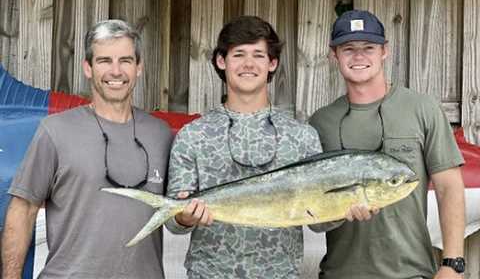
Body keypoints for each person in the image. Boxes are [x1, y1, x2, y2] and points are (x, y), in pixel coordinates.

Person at [164, 15, 372, 279]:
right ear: (221, 61)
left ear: (272, 63)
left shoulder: (301, 136)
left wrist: (346, 208)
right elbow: (173, 220)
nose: (248, 64)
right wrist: (185, 217)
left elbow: (318, 222)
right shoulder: (192, 135)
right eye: (238, 54)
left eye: (258, 55)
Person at [1, 19, 173, 278]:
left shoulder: (161, 134)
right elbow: (22, 211)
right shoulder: (54, 130)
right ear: (88, 68)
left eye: (125, 60)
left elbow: (178, 214)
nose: (116, 71)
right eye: (104, 61)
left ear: (139, 68)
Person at [309, 9, 466, 279]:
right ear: (334, 55)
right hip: (339, 273)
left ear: (384, 51)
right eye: (348, 48)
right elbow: (312, 211)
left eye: (368, 47)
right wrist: (335, 212)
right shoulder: (320, 122)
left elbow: (449, 187)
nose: (359, 56)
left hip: (411, 272)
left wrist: (453, 264)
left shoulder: (422, 109)